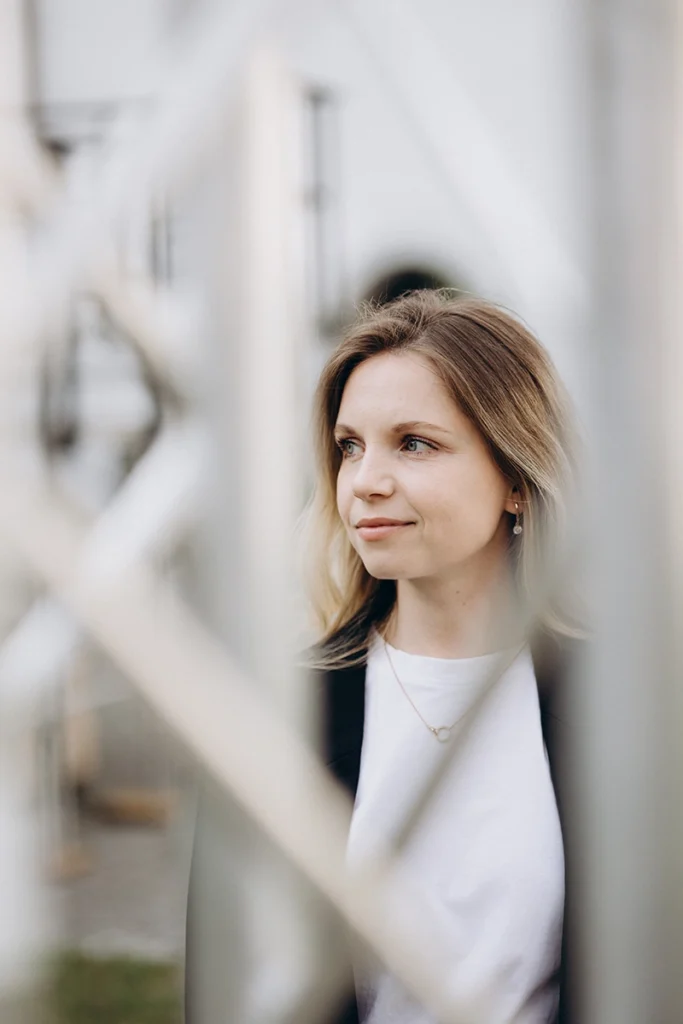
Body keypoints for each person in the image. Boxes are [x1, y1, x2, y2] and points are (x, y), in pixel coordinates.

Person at [305, 290, 582, 1024]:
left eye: (414, 443)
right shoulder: (286, 708)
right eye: (349, 446)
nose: (365, 480)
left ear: (516, 480)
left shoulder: (626, 707)